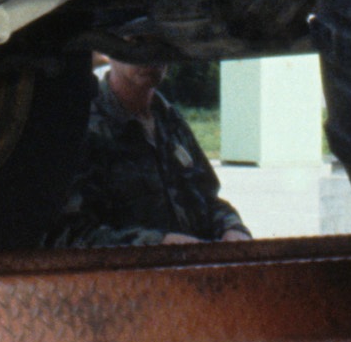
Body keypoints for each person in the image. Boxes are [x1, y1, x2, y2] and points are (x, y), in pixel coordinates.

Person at [47, 59, 251, 248]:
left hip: (191, 269)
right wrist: (156, 244)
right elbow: (67, 236)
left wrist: (232, 228)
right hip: (129, 274)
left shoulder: (170, 120)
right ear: (110, 50)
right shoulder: (82, 128)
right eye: (136, 41)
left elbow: (207, 199)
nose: (150, 54)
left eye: (160, 43)